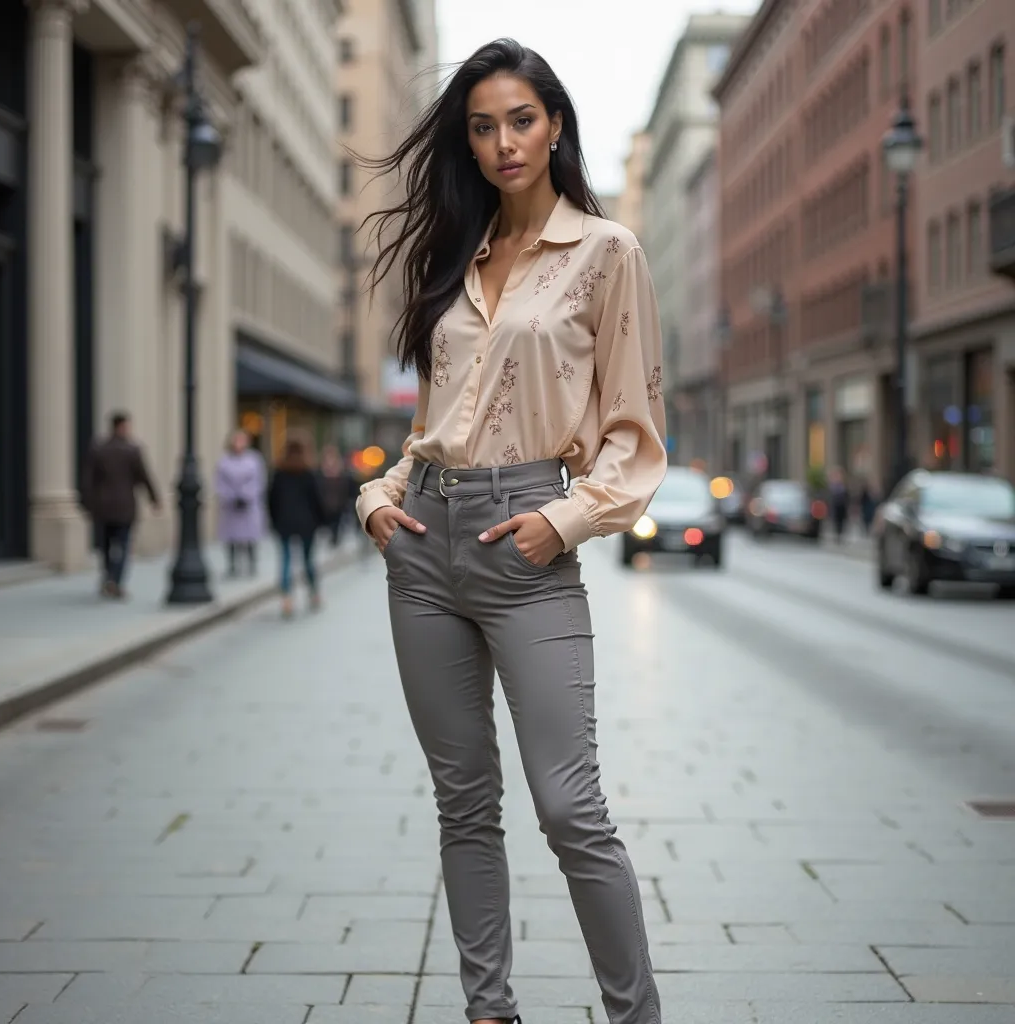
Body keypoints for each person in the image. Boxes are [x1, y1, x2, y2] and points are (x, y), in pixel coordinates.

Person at [354, 39, 666, 1024]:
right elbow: (431, 426)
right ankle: (488, 1009)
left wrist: (561, 521)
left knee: (572, 810)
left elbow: (634, 438)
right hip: (423, 545)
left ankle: (636, 1014)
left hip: (525, 541)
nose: (502, 142)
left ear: (556, 123)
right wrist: (377, 495)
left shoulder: (606, 251)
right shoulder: (459, 256)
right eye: (482, 125)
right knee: (464, 804)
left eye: (520, 120)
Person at [80, 411, 160, 598]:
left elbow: (87, 480)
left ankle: (108, 576)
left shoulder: (98, 448)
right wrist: (154, 498)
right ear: (121, 427)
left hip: (103, 506)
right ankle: (115, 580)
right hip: (124, 506)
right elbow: (144, 476)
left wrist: (88, 502)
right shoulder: (132, 450)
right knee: (123, 545)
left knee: (106, 545)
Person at [267, 436, 324, 618]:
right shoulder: (308, 472)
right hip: (307, 522)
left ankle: (287, 599)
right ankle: (314, 593)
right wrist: (320, 521)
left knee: (285, 560)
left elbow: (271, 500)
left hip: (284, 522)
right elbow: (316, 500)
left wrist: (274, 521)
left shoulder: (279, 473)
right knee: (308, 559)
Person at [214, 429, 267, 577]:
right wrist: (230, 496)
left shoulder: (254, 460)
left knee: (250, 537)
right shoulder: (224, 461)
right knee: (231, 538)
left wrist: (246, 495)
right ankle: (232, 566)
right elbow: (219, 483)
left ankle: (251, 564)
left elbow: (259, 481)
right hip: (230, 506)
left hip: (248, 505)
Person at [318, 444, 351, 547]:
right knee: (330, 522)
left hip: (338, 501)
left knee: (337, 522)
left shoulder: (340, 469)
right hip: (326, 501)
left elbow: (345, 485)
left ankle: (335, 538)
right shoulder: (321, 469)